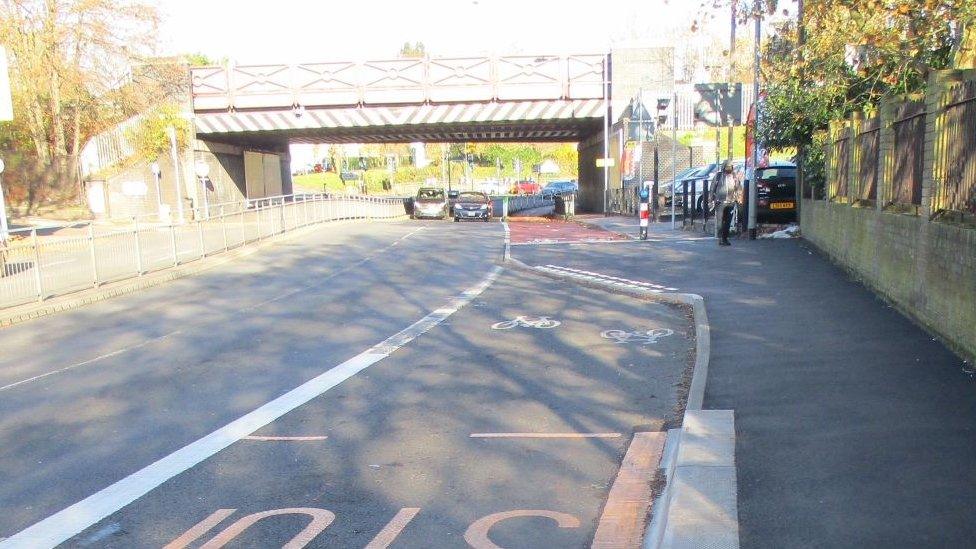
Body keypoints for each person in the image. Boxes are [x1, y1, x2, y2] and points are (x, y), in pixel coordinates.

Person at [709, 159, 743, 246]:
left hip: (731, 202)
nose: (729, 169)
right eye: (727, 167)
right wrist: (711, 200)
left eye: (730, 167)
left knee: (728, 221)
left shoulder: (734, 176)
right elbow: (712, 188)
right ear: (723, 167)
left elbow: (738, 188)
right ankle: (721, 238)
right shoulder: (718, 176)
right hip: (720, 202)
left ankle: (725, 238)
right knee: (720, 221)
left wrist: (739, 198)